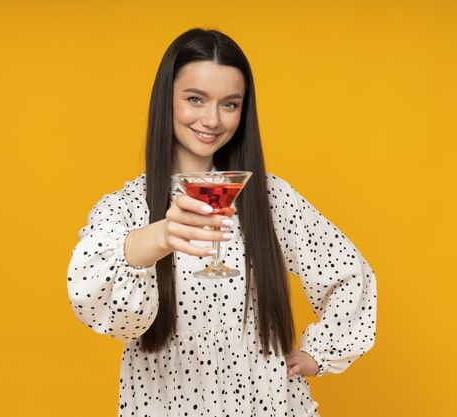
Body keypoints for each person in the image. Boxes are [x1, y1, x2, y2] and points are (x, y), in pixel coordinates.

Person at [67, 28, 377, 417]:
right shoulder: (125, 208)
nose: (212, 119)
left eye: (230, 104)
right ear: (167, 100)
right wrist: (161, 235)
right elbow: (114, 318)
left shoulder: (268, 198)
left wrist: (320, 353)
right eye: (195, 99)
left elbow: (349, 274)